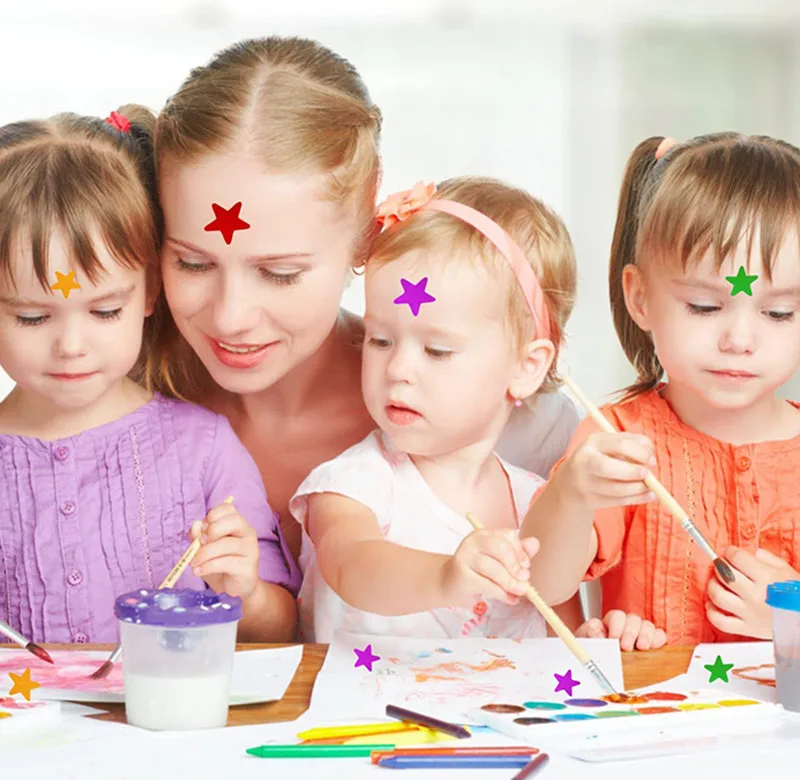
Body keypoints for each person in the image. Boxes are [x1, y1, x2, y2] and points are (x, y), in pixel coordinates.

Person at [150, 36, 581, 567]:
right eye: (193, 264)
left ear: (363, 230)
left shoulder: (519, 419)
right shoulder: (115, 404)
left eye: (280, 273)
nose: (230, 316)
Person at [289, 177, 665, 648]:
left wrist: (598, 640)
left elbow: (560, 632)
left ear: (527, 368)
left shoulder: (538, 504)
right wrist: (446, 577)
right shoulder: (353, 484)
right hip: (368, 719)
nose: (399, 368)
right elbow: (352, 566)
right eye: (380, 340)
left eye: (438, 350)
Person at [0, 107, 299, 644]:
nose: (71, 346)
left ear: (151, 291)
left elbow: (282, 630)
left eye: (105, 311)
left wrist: (245, 592)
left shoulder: (202, 448)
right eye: (32, 317)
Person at [523, 134, 800, 645]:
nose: (739, 340)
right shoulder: (617, 439)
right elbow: (543, 584)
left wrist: (789, 624)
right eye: (704, 306)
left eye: (778, 313)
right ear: (640, 297)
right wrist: (571, 494)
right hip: (655, 718)